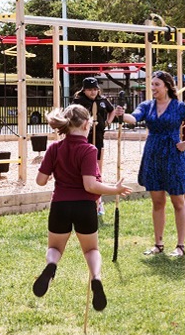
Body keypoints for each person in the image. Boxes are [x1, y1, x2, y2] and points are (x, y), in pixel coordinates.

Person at [33, 104, 133, 310]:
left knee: (54, 248)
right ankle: (96, 277)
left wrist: (54, 169)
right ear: (87, 124)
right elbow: (90, 185)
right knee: (91, 250)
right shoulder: (89, 150)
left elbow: (40, 181)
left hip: (60, 205)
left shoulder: (54, 148)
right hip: (84, 207)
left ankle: (51, 266)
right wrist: (115, 189)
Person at [115, 71, 185, 257]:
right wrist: (122, 114)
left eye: (157, 84)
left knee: (178, 201)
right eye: (152, 85)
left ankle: (180, 246)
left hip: (174, 156)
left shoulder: (180, 107)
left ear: (166, 85)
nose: (153, 88)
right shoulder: (147, 106)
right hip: (153, 155)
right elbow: (134, 119)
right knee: (157, 201)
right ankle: (158, 244)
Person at [72, 77, 116, 215]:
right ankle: (82, 199)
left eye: (95, 89)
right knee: (83, 169)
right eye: (90, 90)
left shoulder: (102, 101)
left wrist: (107, 122)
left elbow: (112, 110)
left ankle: (98, 202)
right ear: (84, 90)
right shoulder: (79, 102)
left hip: (99, 138)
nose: (93, 92)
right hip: (84, 138)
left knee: (97, 169)